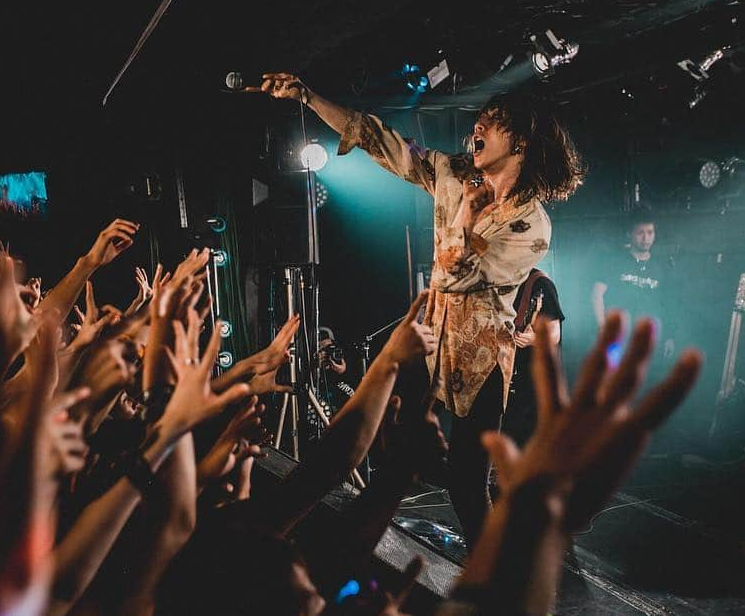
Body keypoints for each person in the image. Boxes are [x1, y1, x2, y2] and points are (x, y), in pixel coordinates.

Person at [248, 73, 585, 548]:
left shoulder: (532, 226)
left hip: (483, 361)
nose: (477, 129)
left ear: (522, 144)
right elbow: (377, 139)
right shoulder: (453, 175)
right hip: (430, 341)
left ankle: (498, 586)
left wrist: (466, 213)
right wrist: (309, 95)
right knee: (396, 463)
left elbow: (454, 274)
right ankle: (340, 555)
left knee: (467, 485)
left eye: (493, 122)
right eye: (480, 120)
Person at [592, 213, 676, 360]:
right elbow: (596, 294)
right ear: (630, 234)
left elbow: (668, 304)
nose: (646, 238)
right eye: (640, 233)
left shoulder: (662, 266)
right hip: (618, 338)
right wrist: (602, 327)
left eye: (650, 232)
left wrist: (669, 337)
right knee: (617, 379)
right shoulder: (615, 261)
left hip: (649, 340)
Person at [501, 268, 565, 446]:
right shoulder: (499, 280)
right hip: (505, 378)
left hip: (532, 380)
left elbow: (554, 334)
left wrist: (533, 339)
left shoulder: (539, 284)